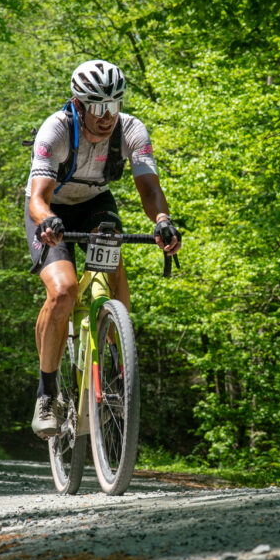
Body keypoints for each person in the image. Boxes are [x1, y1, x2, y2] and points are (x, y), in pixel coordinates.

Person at [23, 60, 180, 437]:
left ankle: (121, 366)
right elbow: (38, 198)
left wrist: (162, 221)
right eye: (98, 106)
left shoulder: (131, 130)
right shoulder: (56, 130)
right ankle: (47, 394)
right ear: (79, 105)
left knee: (111, 268)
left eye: (114, 105)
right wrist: (47, 221)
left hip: (95, 203)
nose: (107, 115)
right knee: (63, 291)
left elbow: (150, 188)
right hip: (51, 209)